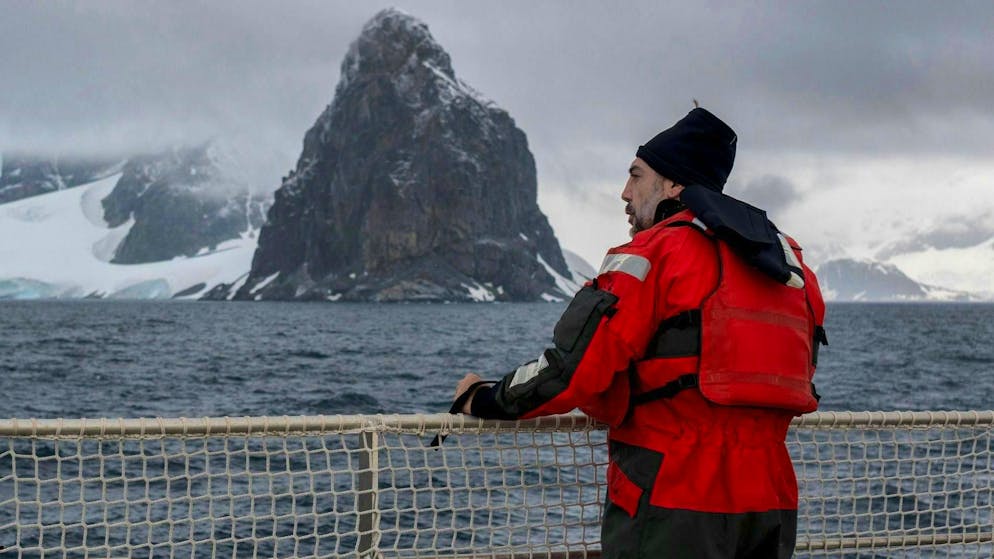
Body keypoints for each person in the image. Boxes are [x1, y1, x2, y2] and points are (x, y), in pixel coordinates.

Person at [452, 106, 827, 559]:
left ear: (673, 185)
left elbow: (572, 370)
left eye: (636, 175)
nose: (624, 192)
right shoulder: (790, 264)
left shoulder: (652, 254)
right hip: (771, 502)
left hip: (673, 499)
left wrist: (484, 397)